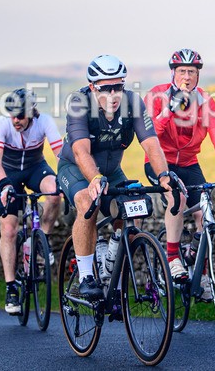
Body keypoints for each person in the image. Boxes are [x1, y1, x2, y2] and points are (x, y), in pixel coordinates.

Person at [57, 54, 187, 303]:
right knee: (87, 202)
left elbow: (151, 143)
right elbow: (81, 151)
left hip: (112, 171)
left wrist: (163, 176)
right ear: (92, 86)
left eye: (118, 86)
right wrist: (95, 178)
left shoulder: (132, 102)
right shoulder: (79, 103)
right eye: (106, 89)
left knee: (133, 210)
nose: (114, 94)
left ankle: (111, 270)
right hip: (75, 168)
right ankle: (86, 277)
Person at [143, 48, 215, 301]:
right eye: (182, 71)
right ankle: (173, 257)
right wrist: (169, 111)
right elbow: (149, 134)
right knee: (178, 197)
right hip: (159, 161)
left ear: (198, 75)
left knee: (203, 211)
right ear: (173, 73)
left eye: (192, 72)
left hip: (189, 163)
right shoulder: (156, 95)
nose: (187, 76)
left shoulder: (205, 101)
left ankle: (202, 275)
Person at [0, 88, 63, 314]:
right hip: (9, 173)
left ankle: (42, 240)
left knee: (55, 193)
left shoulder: (44, 121)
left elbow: (60, 153)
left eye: (20, 116)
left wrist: (68, 179)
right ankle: (11, 286)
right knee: (9, 230)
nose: (15, 120)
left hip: (35, 168)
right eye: (12, 115)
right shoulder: (1, 124)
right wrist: (5, 184)